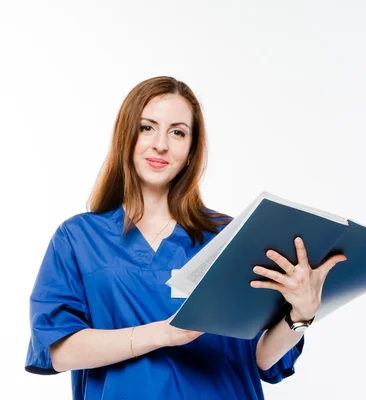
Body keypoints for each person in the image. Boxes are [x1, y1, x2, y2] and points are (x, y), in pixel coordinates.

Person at [25, 76, 346, 400]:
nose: (161, 144)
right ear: (125, 135)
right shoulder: (79, 239)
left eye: (177, 132)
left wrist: (300, 314)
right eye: (147, 127)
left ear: (192, 149)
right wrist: (162, 333)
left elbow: (263, 359)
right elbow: (58, 350)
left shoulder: (229, 235)